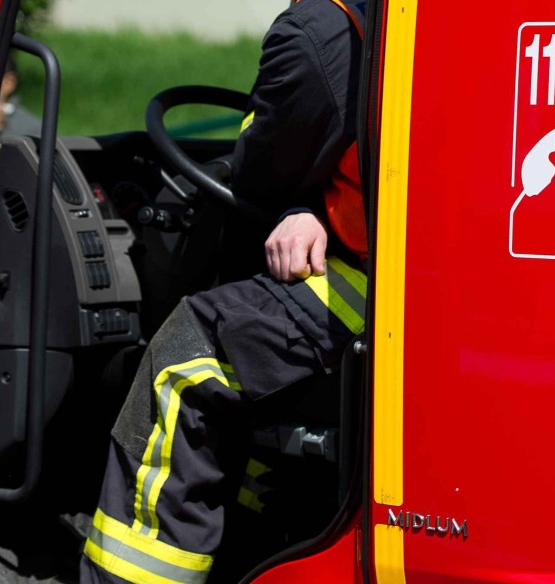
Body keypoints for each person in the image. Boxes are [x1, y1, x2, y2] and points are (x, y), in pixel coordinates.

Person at [80, 1, 367, 582]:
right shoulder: (381, 23)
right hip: (399, 262)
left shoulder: (323, 29)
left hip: (375, 281)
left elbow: (265, 170)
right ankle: (257, 543)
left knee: (187, 357)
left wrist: (295, 204)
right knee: (251, 335)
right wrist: (309, 207)